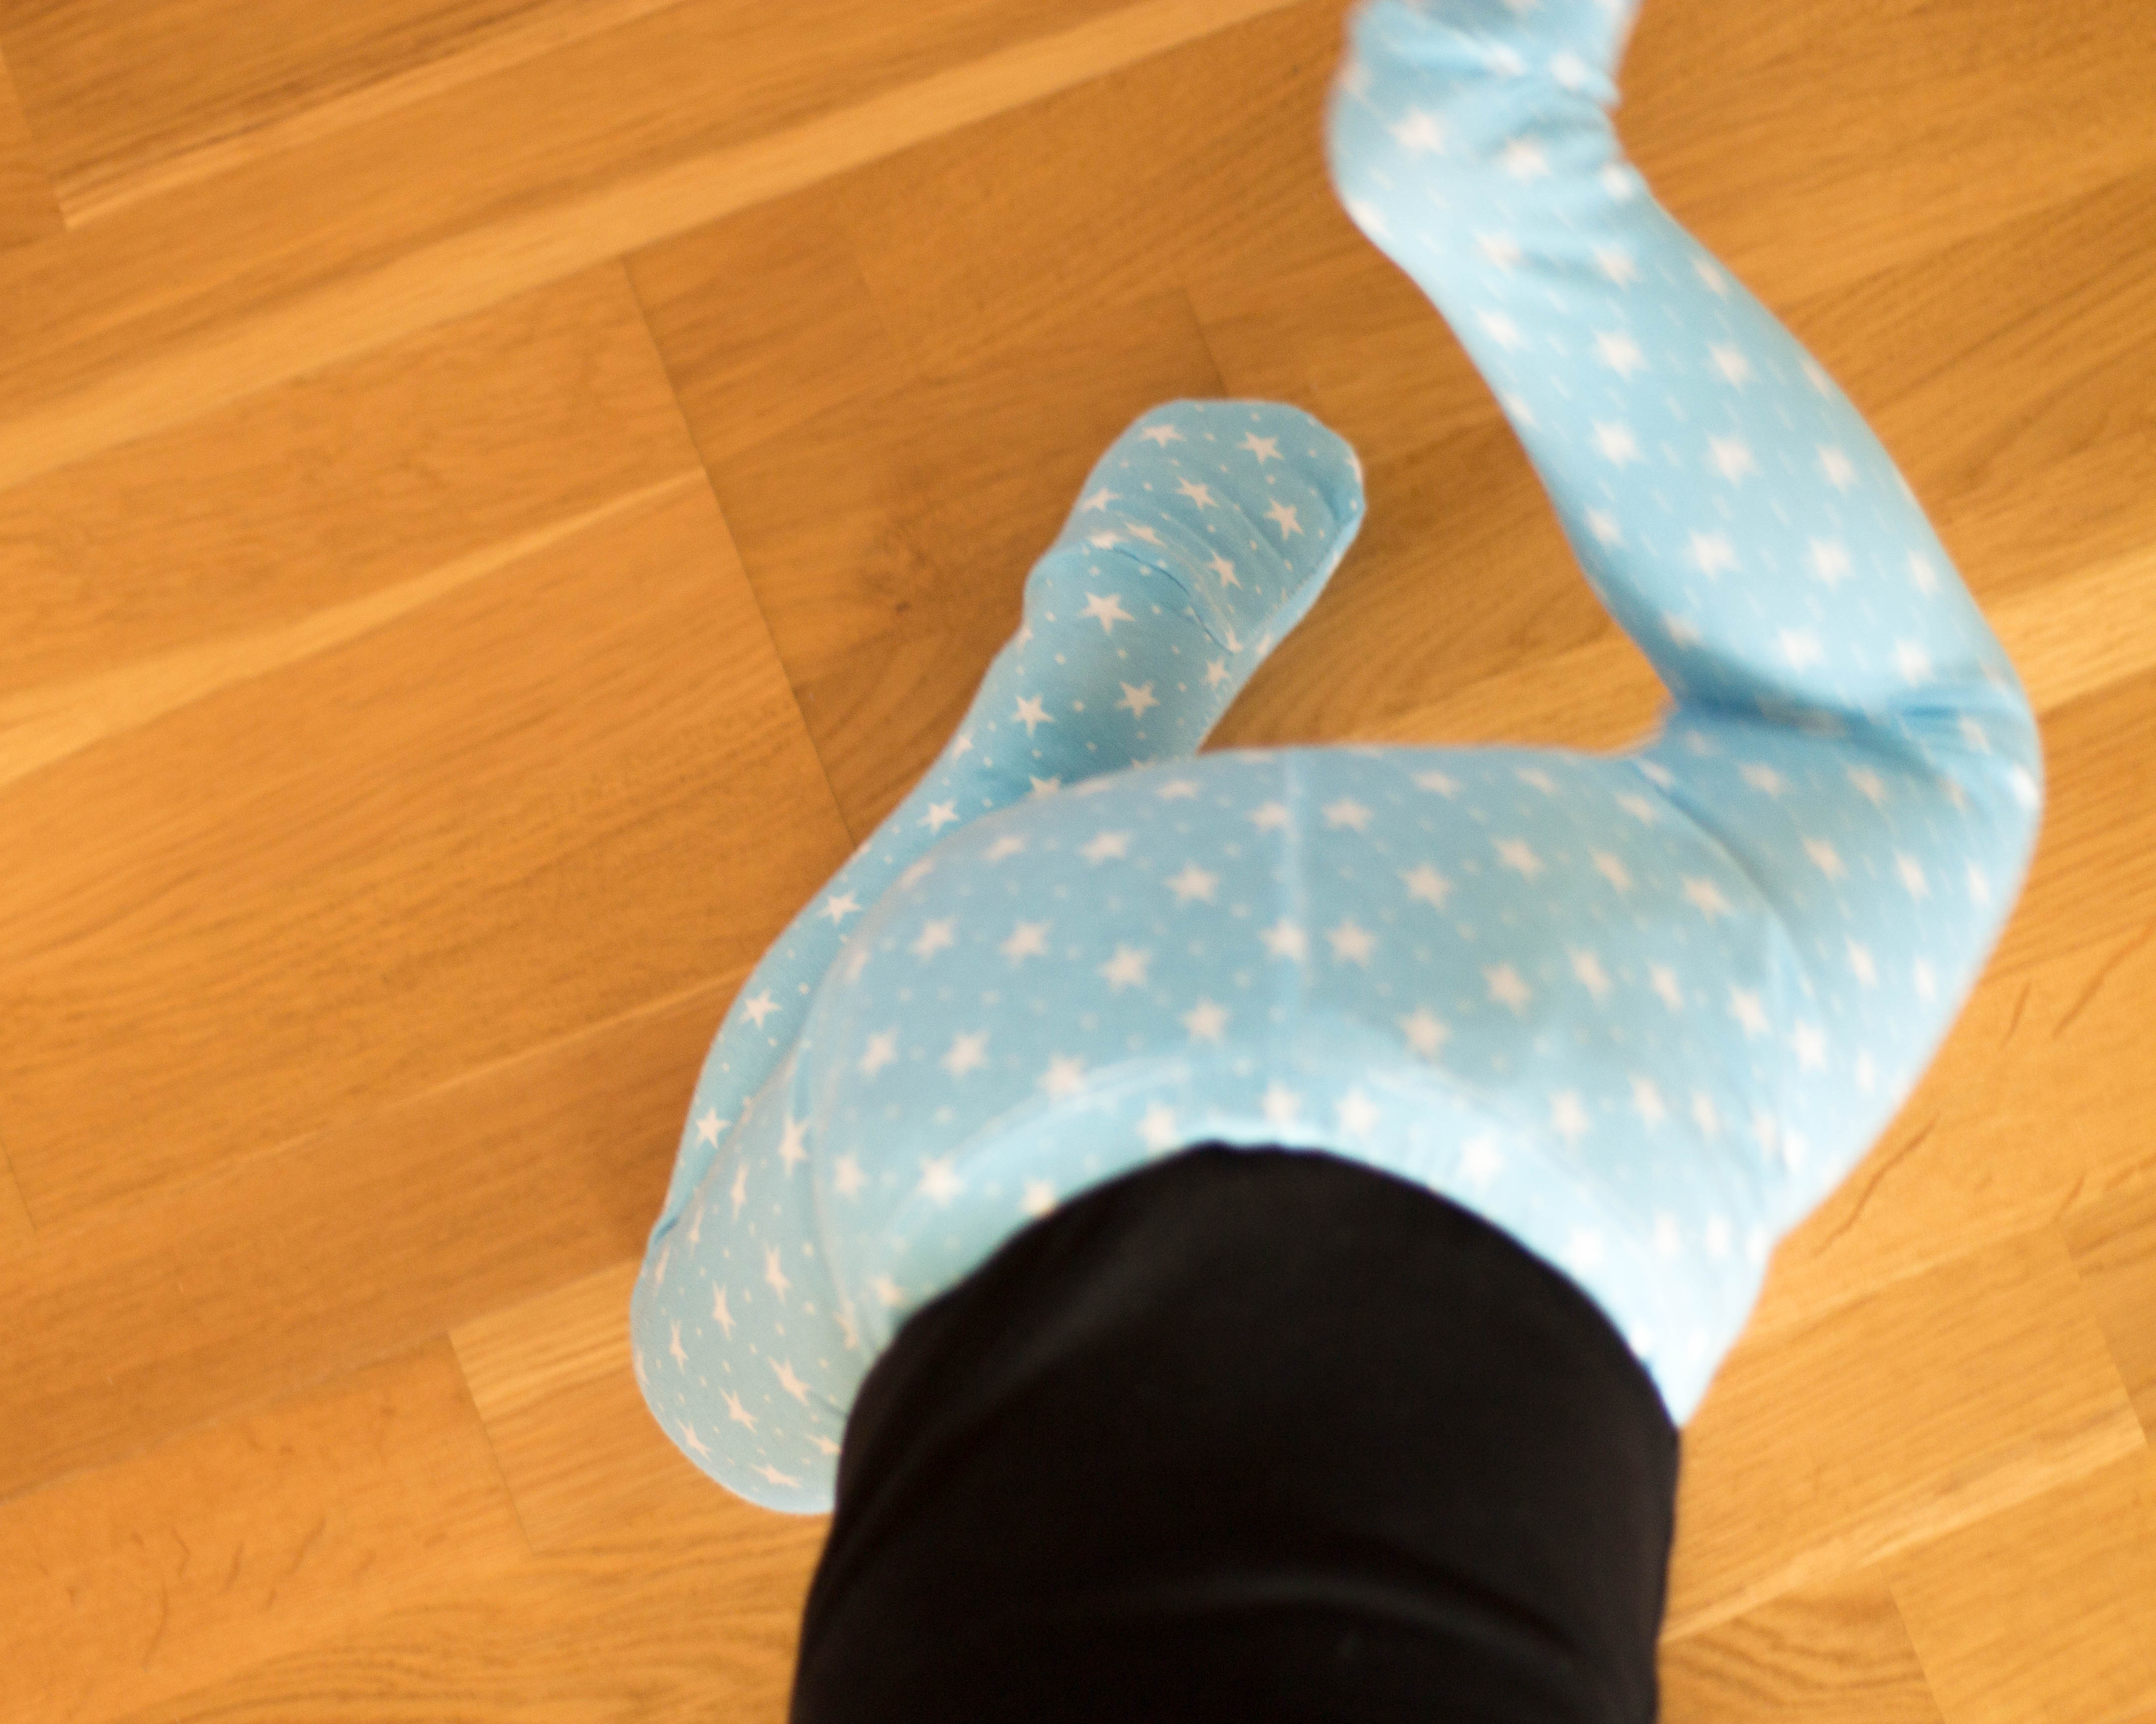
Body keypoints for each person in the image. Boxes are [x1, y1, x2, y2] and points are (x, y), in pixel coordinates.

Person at [630, 0, 2045, 1714]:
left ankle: (1495, 151)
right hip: (990, 1050)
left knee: (1906, 750)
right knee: (716, 1404)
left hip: (1572, 1085)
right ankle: (1080, 707)